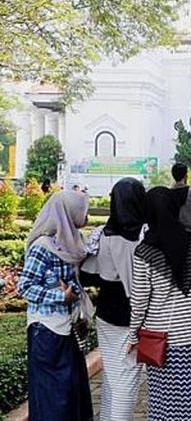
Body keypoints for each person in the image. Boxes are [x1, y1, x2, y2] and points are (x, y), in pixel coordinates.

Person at [127, 187, 191, 421]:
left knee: (165, 403)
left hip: (163, 340)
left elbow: (140, 301)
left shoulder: (144, 252)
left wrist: (133, 336)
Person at [18, 191, 93, 421]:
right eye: (83, 210)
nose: (86, 215)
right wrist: (60, 297)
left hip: (67, 329)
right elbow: (25, 287)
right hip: (47, 331)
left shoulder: (72, 241)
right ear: (68, 213)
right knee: (54, 396)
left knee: (70, 393)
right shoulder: (43, 246)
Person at [80, 178, 146, 421]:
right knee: (126, 380)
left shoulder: (101, 234)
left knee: (112, 377)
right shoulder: (143, 236)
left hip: (106, 314)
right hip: (133, 316)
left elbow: (87, 275)